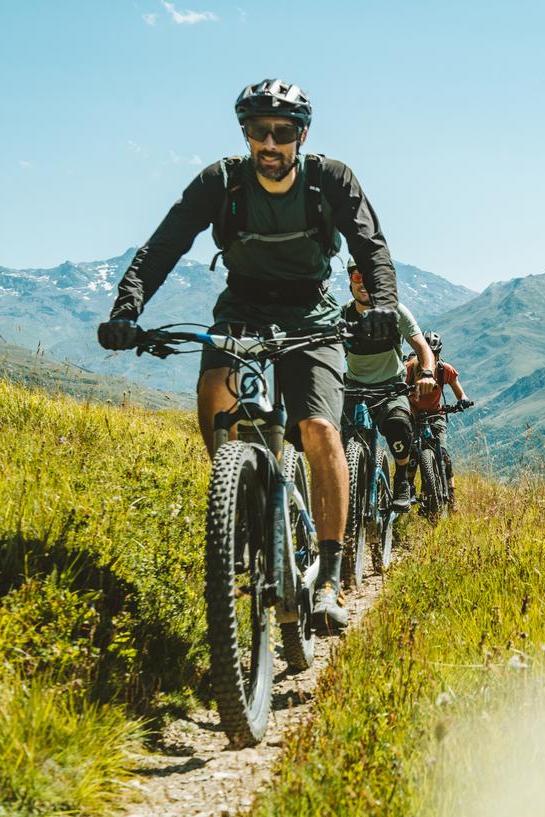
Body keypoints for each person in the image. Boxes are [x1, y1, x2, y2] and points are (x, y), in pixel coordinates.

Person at [97, 78, 400, 631]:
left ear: (300, 136)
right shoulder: (223, 182)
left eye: (282, 132)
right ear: (245, 134)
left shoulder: (329, 180)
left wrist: (382, 305)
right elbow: (163, 246)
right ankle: (233, 497)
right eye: (258, 131)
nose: (269, 142)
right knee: (214, 388)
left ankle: (329, 576)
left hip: (311, 313)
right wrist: (126, 311)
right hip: (242, 307)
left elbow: (370, 246)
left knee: (317, 429)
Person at [342, 257, 436, 511]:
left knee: (398, 426)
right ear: (351, 280)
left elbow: (423, 349)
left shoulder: (395, 312)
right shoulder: (342, 315)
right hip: (353, 388)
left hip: (390, 387)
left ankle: (401, 478)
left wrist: (427, 372)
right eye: (358, 276)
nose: (364, 283)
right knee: (337, 443)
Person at [406, 330, 472, 511]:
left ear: (438, 354)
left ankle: (451, 497)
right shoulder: (409, 369)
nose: (431, 358)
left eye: (434, 354)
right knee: (410, 453)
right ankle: (407, 489)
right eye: (427, 353)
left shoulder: (444, 370)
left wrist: (463, 401)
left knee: (443, 454)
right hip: (413, 415)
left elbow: (459, 391)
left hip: (436, 415)